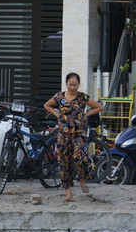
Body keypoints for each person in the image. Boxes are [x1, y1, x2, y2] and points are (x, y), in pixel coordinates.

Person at [43, 72, 104, 202]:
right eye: (70, 84)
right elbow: (46, 105)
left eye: (75, 85)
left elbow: (99, 107)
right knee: (64, 163)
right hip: (63, 135)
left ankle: (82, 180)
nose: (72, 87)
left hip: (79, 134)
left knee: (79, 157)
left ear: (78, 85)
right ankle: (69, 193)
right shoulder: (59, 97)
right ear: (66, 84)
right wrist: (57, 114)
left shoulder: (82, 97)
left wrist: (86, 115)